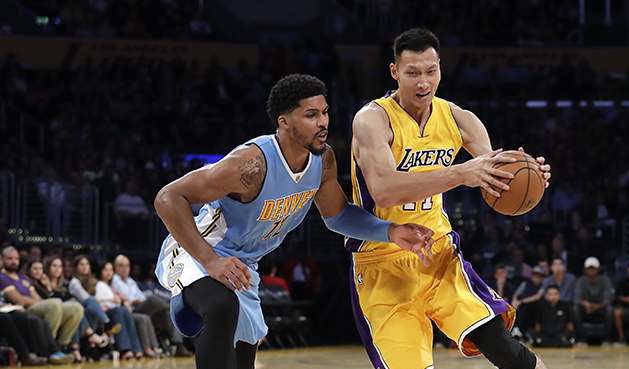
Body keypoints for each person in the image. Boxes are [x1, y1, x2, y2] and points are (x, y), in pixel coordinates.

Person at [153, 73, 434, 369]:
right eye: (311, 115)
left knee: (243, 353)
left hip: (243, 266)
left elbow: (337, 215)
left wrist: (390, 231)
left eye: (324, 112)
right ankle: (187, 302)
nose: (323, 122)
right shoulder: (251, 164)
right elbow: (167, 198)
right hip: (197, 249)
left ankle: (188, 311)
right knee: (222, 306)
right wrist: (210, 261)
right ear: (284, 121)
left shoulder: (322, 160)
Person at [348, 29, 550, 369]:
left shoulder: (460, 119)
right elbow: (382, 188)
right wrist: (459, 173)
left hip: (439, 256)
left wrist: (525, 176)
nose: (423, 82)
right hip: (383, 264)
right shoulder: (373, 120)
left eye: (431, 71)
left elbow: (492, 179)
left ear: (440, 68)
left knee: (509, 352)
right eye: (412, 73)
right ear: (395, 72)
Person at [0, 247, 84, 351]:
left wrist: (43, 301)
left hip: (35, 307)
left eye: (16, 259)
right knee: (53, 304)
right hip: (23, 310)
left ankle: (62, 345)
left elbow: (36, 297)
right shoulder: (2, 277)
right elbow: (18, 299)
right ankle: (49, 345)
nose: (14, 261)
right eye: (10, 259)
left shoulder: (23, 278)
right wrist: (43, 302)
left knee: (76, 308)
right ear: (2, 259)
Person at [112, 254, 191, 357]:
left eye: (127, 266)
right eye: (121, 265)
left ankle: (179, 345)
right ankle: (176, 306)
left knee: (168, 314)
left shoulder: (130, 281)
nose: (124, 269)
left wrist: (139, 300)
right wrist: (133, 301)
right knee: (152, 299)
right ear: (115, 267)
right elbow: (124, 299)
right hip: (132, 310)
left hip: (143, 308)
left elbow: (141, 297)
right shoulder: (114, 280)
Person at [99, 261, 160, 358]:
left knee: (141, 316)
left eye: (110, 270)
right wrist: (112, 299)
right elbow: (96, 300)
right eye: (106, 270)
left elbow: (123, 298)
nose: (108, 273)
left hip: (121, 310)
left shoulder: (112, 287)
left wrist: (125, 301)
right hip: (107, 312)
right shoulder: (99, 284)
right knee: (122, 311)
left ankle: (142, 349)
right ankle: (125, 349)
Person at [573, 256, 613, 345]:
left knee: (610, 310)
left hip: (600, 308)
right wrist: (586, 304)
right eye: (589, 269)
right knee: (575, 310)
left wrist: (594, 307)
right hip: (585, 309)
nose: (591, 271)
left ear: (598, 270)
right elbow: (577, 299)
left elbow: (608, 300)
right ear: (585, 270)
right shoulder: (581, 281)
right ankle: (581, 339)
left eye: (593, 269)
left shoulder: (605, 280)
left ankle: (606, 339)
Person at [511, 266, 547, 341]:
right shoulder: (526, 283)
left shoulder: (543, 285)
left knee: (525, 307)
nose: (536, 278)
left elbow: (538, 296)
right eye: (535, 276)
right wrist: (514, 301)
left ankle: (522, 330)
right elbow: (516, 293)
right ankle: (516, 330)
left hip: (536, 305)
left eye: (539, 276)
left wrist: (522, 301)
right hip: (523, 305)